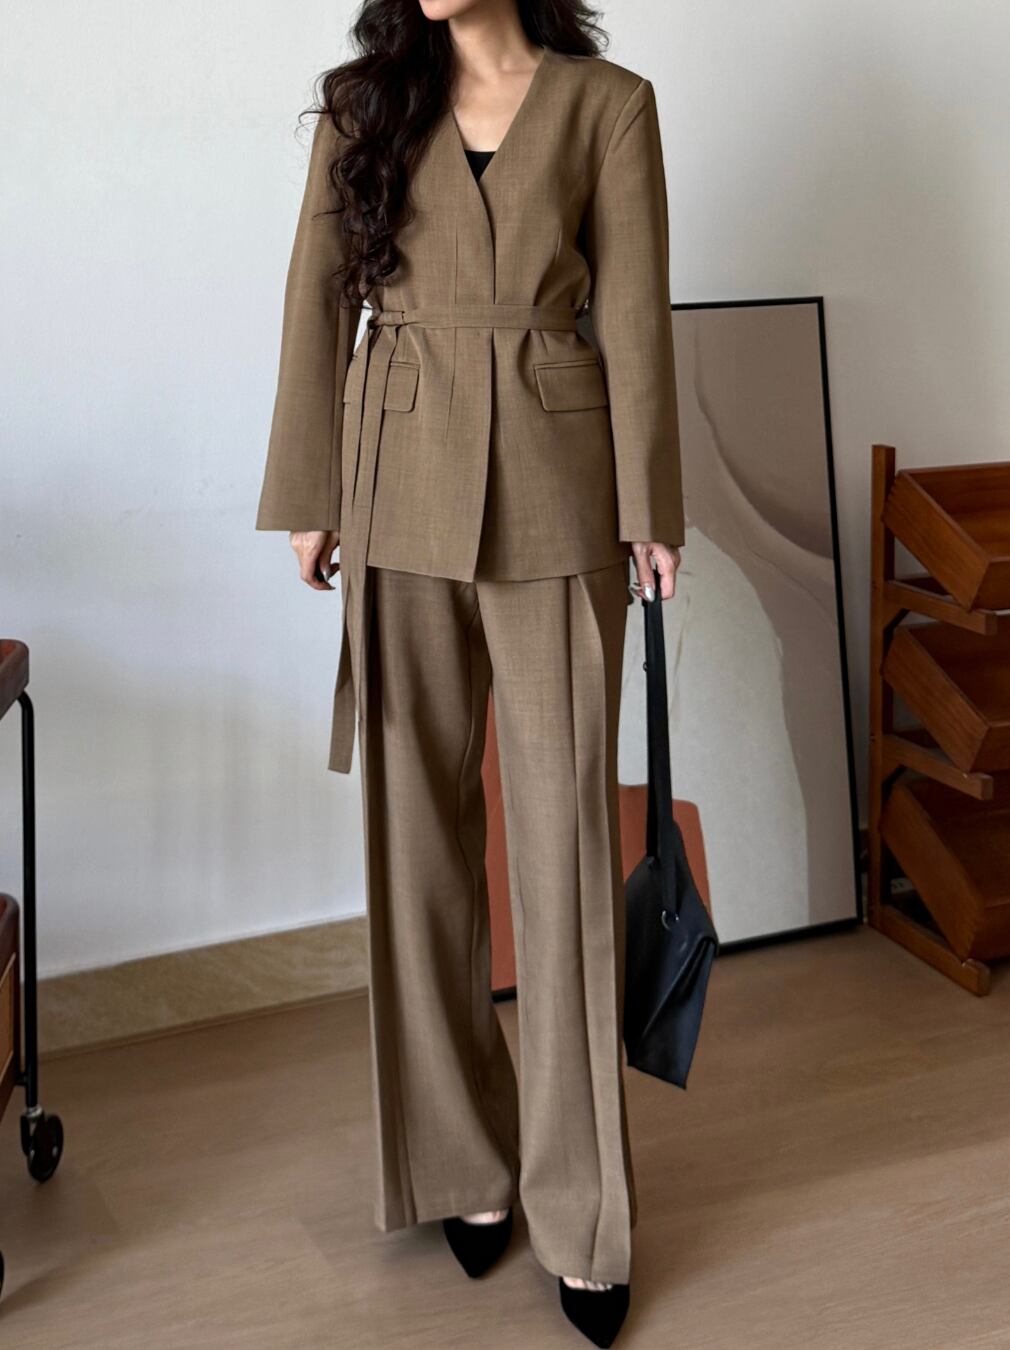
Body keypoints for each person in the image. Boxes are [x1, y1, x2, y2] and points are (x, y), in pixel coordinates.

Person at [256, 1, 683, 1344]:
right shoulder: (361, 102)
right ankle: (464, 1164)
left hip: (560, 487)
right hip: (395, 480)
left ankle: (583, 1211)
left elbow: (635, 312)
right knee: (419, 846)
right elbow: (317, 294)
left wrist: (650, 508)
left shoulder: (608, 106)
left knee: (566, 853)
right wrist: (312, 490)